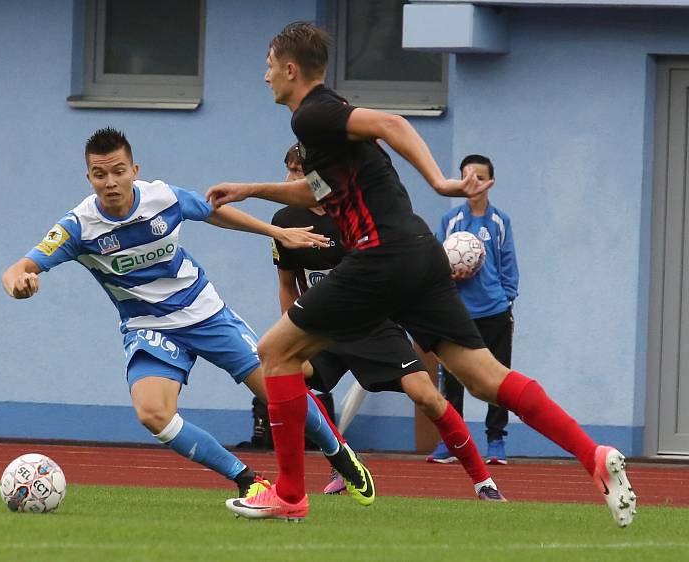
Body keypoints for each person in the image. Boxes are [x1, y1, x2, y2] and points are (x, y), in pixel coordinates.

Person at [206, 22, 636, 527]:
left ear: (290, 69)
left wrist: (439, 182)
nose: (264, 77)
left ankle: (289, 494)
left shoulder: (314, 114)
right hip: (419, 254)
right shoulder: (323, 125)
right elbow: (321, 191)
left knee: (273, 353)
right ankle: (593, 455)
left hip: (380, 256)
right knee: (485, 378)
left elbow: (392, 123)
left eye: (268, 65)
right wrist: (252, 189)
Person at [1, 127, 374, 504]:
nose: (110, 182)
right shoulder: (78, 227)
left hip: (204, 312)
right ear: (89, 178)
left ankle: (341, 456)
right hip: (148, 327)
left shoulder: (161, 196)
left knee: (279, 389)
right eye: (100, 174)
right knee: (152, 413)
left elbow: (214, 213)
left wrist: (276, 232)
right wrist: (20, 284)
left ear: (134, 169)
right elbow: (18, 269)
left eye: (118, 171)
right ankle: (247, 480)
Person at [271, 143, 506, 501]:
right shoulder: (284, 221)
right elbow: (288, 286)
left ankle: (483, 481)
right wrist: (291, 335)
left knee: (426, 395)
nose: (290, 180)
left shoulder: (353, 213)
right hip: (323, 327)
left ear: (317, 179)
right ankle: (342, 458)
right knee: (282, 375)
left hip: (372, 324)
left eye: (299, 174)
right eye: (288, 172)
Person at [427, 154, 518, 465]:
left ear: (490, 182)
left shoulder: (500, 221)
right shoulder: (450, 221)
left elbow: (508, 266)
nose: (472, 183)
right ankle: (452, 441)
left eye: (479, 177)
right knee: (452, 379)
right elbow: (437, 264)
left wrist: (506, 299)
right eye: (466, 177)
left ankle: (496, 440)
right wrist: (449, 275)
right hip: (458, 313)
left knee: (498, 378)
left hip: (494, 312)